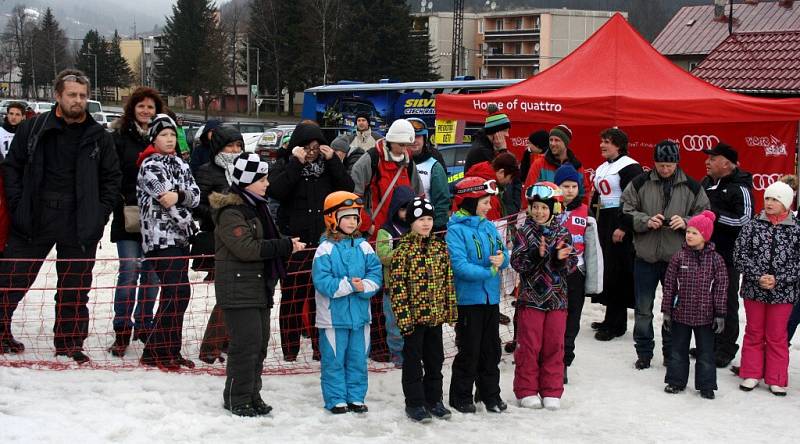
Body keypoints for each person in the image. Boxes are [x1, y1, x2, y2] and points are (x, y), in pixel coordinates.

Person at [0, 70, 121, 361]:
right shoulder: (33, 128)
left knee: (74, 289)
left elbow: (112, 179)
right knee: (11, 279)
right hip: (34, 216)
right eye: (72, 95)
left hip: (79, 221)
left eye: (82, 95)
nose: (78, 101)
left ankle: (69, 345)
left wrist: (98, 214)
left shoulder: (99, 137)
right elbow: (12, 167)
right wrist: (18, 205)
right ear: (58, 96)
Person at [210, 152, 306, 417]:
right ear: (247, 181)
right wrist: (285, 245)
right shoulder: (230, 211)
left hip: (258, 286)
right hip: (239, 288)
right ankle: (236, 397)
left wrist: (288, 242)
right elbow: (246, 248)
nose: (267, 183)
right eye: (262, 179)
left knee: (260, 343)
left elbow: (262, 239)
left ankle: (252, 393)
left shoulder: (258, 207)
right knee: (246, 345)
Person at [268, 122, 354, 362]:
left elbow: (347, 188)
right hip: (295, 243)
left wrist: (333, 161)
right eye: (308, 147)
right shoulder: (286, 162)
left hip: (324, 241)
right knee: (293, 298)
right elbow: (277, 191)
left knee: (322, 297)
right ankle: (290, 349)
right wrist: (297, 163)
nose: (312, 151)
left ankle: (319, 346)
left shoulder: (327, 166)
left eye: (316, 146)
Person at [621, 140, 709, 370]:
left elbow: (706, 215)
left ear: (677, 163)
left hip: (678, 259)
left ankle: (671, 353)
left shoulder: (692, 186)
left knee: (674, 309)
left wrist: (687, 222)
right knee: (643, 309)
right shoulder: (640, 182)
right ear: (654, 163)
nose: (665, 169)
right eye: (660, 165)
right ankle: (644, 352)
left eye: (669, 165)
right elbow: (625, 210)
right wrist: (645, 221)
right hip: (646, 256)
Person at [350, 118, 423, 361]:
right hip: (374, 235)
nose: (406, 150)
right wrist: (369, 227)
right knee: (374, 291)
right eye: (402, 145)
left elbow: (417, 195)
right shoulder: (369, 160)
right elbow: (355, 198)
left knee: (395, 293)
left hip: (399, 234)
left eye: (408, 145)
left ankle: (395, 346)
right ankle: (378, 343)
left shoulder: (409, 163)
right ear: (391, 141)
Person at [137, 114, 200, 370]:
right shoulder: (150, 166)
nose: (169, 138)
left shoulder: (182, 164)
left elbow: (195, 196)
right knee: (175, 292)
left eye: (173, 134)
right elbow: (166, 201)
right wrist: (191, 224)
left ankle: (168, 349)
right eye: (163, 134)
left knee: (179, 293)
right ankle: (157, 351)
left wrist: (181, 194)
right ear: (154, 138)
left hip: (181, 239)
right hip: (159, 238)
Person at [312, 191, 382, 414]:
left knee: (358, 359)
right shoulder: (325, 249)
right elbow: (323, 282)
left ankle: (356, 397)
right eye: (347, 216)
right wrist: (350, 285)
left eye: (355, 217)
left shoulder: (364, 246)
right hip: (333, 319)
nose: (353, 221)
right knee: (334, 360)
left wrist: (365, 286)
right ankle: (336, 398)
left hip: (360, 317)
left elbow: (376, 274)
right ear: (333, 219)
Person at [389, 197, 457, 422]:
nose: (426, 223)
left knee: (435, 361)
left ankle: (434, 399)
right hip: (414, 320)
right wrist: (404, 319)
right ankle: (415, 403)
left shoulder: (439, 248)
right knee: (413, 363)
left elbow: (448, 282)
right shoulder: (403, 251)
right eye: (420, 219)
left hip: (435, 318)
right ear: (411, 222)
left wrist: (450, 311)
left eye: (429, 219)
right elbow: (397, 289)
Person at [446, 176, 510, 414]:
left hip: (490, 299)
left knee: (491, 349)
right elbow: (459, 266)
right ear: (471, 201)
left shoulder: (489, 226)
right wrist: (490, 270)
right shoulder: (456, 231)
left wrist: (503, 259)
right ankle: (460, 396)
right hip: (468, 301)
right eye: (484, 201)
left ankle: (489, 394)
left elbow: (504, 252)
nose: (489, 206)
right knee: (470, 349)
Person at [108, 87, 164, 356]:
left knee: (152, 275)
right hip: (128, 214)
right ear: (133, 108)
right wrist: (127, 197)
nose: (145, 111)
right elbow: (112, 172)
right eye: (141, 106)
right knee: (129, 271)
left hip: (157, 219)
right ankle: (122, 329)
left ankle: (145, 324)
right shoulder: (119, 137)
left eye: (150, 107)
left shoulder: (164, 137)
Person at [511, 181, 576, 410]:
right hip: (531, 300)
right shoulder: (523, 232)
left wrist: (560, 259)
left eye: (544, 207)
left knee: (554, 345)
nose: (539, 212)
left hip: (557, 300)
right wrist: (535, 256)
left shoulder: (562, 232)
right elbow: (517, 262)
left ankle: (551, 390)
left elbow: (573, 264)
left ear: (554, 209)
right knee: (529, 346)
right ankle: (526, 390)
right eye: (535, 207)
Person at [734, 181, 799, 396]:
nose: (769, 203)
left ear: (786, 204)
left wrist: (778, 279)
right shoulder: (753, 225)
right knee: (754, 331)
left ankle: (776, 377)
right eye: (768, 199)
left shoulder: (796, 229)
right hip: (755, 290)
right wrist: (758, 276)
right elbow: (739, 255)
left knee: (777, 335)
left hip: (783, 293)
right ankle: (751, 373)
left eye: (775, 200)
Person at [661, 210, 727, 400]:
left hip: (706, 315)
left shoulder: (716, 259)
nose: (689, 235)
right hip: (681, 313)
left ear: (705, 236)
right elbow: (670, 285)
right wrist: (667, 311)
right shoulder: (679, 257)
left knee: (706, 353)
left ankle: (706, 385)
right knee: (678, 350)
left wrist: (720, 314)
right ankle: (675, 381)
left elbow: (721, 287)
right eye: (688, 231)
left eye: (694, 233)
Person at [699, 142, 753, 368]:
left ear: (727, 163)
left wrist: (714, 216)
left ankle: (727, 348)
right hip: (703, 255)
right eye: (708, 158)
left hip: (728, 257)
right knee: (706, 301)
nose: (707, 162)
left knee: (726, 302)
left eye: (712, 158)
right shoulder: (705, 183)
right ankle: (710, 344)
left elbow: (745, 221)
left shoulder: (740, 187)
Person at [194, 126, 245, 364]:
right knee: (226, 293)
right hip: (217, 238)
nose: (235, 150)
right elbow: (197, 205)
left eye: (238, 146)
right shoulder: (207, 171)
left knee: (237, 293)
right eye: (230, 146)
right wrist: (223, 210)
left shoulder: (245, 169)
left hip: (242, 237)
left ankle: (227, 340)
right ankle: (210, 346)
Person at [590, 128, 643, 341]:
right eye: (602, 141)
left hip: (619, 222)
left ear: (619, 145)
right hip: (603, 221)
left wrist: (624, 226)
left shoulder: (630, 167)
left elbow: (633, 199)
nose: (603, 145)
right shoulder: (604, 167)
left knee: (618, 272)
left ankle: (617, 323)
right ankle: (609, 317)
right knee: (607, 271)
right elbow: (597, 195)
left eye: (608, 142)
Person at [553, 164, 602, 383]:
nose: (570, 190)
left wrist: (594, 280)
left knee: (572, 319)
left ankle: (564, 361)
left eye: (573, 186)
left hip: (576, 273)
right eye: (565, 186)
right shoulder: (549, 209)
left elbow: (593, 249)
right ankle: (550, 359)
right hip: (553, 273)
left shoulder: (585, 212)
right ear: (557, 187)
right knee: (554, 318)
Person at [375, 185, 416, 366]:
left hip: (415, 286)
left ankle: (413, 351)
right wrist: (405, 252)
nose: (406, 213)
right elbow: (383, 256)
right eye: (403, 208)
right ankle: (397, 353)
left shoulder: (417, 228)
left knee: (413, 322)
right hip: (393, 288)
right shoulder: (386, 231)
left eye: (410, 209)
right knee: (394, 324)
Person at [522, 124, 591, 205]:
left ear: (566, 143)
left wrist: (582, 213)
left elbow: (584, 194)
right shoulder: (539, 164)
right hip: (544, 215)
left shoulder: (577, 166)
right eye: (551, 140)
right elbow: (529, 191)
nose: (552, 143)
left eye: (557, 140)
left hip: (570, 214)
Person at [406, 117, 448, 231]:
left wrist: (435, 228)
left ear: (425, 139)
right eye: (411, 137)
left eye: (418, 136)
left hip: (426, 228)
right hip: (400, 228)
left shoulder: (434, 166)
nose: (414, 140)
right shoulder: (396, 163)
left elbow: (442, 201)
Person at [464, 152, 520, 222]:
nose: (510, 182)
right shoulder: (489, 191)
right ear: (501, 172)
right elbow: (493, 224)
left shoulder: (477, 178)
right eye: (510, 178)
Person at [463, 106, 510, 173]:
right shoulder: (482, 151)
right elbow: (502, 174)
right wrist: (503, 150)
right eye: (505, 131)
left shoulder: (486, 146)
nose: (507, 135)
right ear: (496, 132)